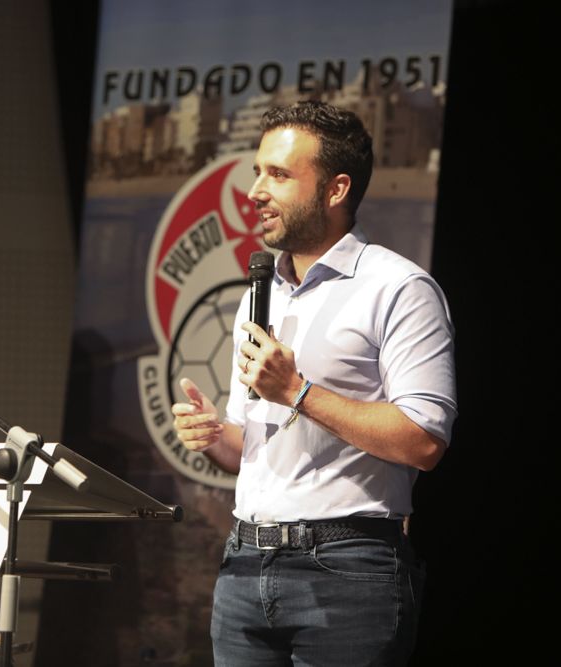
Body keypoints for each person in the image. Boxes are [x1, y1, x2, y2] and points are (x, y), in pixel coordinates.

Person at [172, 101, 457, 666]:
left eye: (277, 174)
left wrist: (298, 392)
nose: (255, 191)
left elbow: (424, 441)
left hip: (347, 572)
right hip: (244, 564)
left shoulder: (398, 289)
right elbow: (248, 445)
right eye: (258, 171)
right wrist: (216, 434)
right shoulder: (262, 293)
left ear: (335, 189)